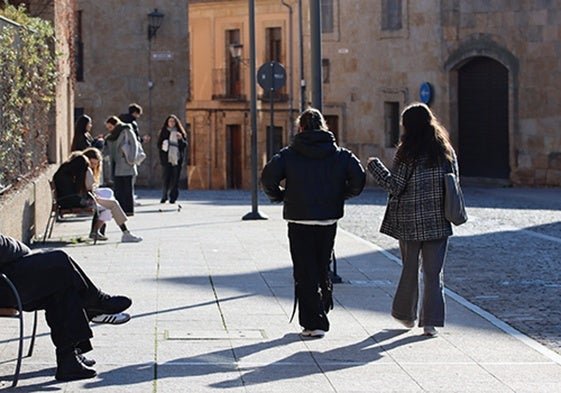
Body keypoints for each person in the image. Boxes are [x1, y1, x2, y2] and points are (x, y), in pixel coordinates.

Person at [261, 108, 365, 338]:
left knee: (304, 269)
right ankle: (321, 311)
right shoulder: (341, 155)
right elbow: (359, 179)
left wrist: (280, 195)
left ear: (301, 128)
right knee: (322, 265)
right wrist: (341, 195)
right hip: (327, 219)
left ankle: (313, 321)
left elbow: (267, 178)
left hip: (299, 219)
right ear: (324, 127)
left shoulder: (288, 155)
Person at [366, 102, 458, 337]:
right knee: (433, 272)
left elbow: (395, 186)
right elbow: (455, 182)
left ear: (407, 126)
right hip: (439, 219)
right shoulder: (444, 150)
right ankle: (430, 323)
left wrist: (375, 167)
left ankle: (405, 315)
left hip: (410, 221)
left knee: (409, 268)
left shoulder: (406, 151)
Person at [0, 233, 132, 381]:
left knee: (61, 289)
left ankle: (69, 359)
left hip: (8, 280)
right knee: (59, 260)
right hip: (5, 287)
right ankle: (96, 303)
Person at [82, 148, 142, 243]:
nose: (93, 166)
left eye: (95, 164)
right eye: (92, 163)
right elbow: (88, 187)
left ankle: (96, 231)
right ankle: (125, 233)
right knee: (112, 204)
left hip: (88, 196)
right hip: (87, 198)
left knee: (109, 194)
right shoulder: (85, 169)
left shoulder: (85, 169)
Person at [103, 116, 140, 216]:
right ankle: (120, 210)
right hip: (115, 165)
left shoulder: (126, 130)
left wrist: (131, 160)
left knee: (127, 189)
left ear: (115, 124)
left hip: (126, 163)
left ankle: (128, 210)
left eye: (110, 127)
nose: (109, 129)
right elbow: (106, 151)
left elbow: (134, 144)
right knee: (118, 189)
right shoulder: (110, 137)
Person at [156, 114, 188, 203]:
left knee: (175, 179)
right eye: (170, 121)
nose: (171, 123)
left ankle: (173, 197)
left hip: (177, 158)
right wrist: (164, 145)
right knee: (166, 178)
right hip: (166, 159)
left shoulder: (180, 132)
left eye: (173, 121)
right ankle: (164, 195)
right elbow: (158, 145)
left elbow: (184, 145)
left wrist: (181, 139)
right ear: (167, 122)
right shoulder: (163, 132)